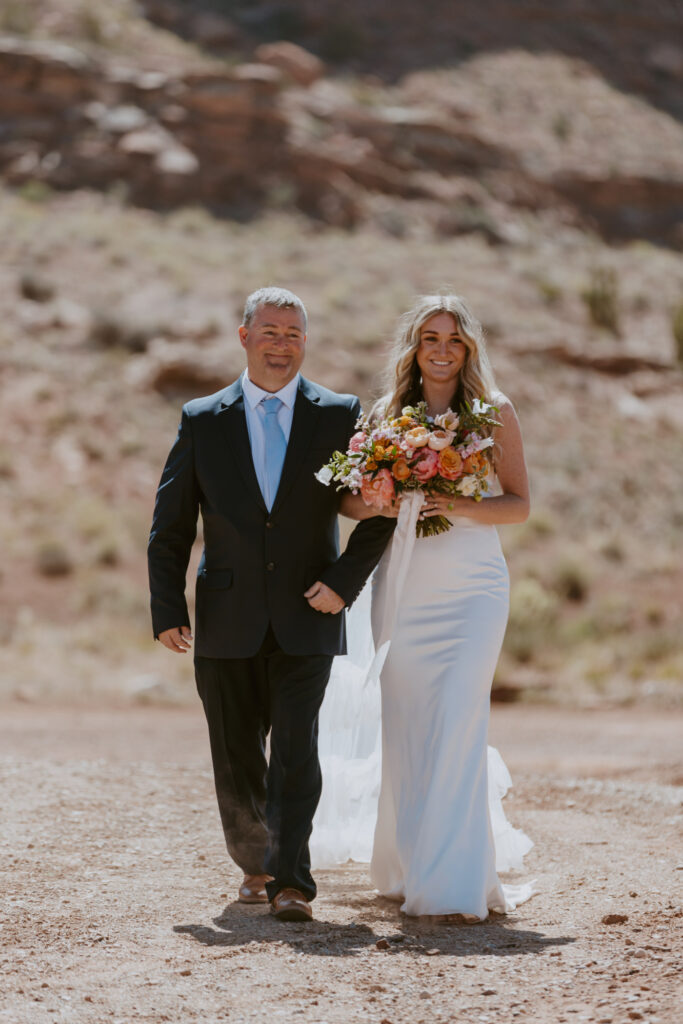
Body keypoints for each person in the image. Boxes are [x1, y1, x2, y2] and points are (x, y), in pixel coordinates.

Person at [148, 287, 391, 922]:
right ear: (244, 336)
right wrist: (166, 606)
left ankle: (291, 881)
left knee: (294, 747)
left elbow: (381, 504)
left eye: (293, 333)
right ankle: (253, 861)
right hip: (225, 616)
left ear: (304, 343)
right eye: (270, 331)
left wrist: (345, 581)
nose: (281, 344)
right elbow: (170, 525)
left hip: (308, 614)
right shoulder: (203, 418)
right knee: (234, 751)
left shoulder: (339, 414)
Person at [334, 293, 533, 921]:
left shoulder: (492, 412)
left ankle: (454, 882)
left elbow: (519, 503)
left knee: (457, 717)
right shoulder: (388, 413)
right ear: (414, 348)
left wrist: (456, 503)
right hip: (407, 581)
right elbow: (346, 502)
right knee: (409, 721)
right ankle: (407, 864)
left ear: (469, 348)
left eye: (453, 339)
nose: (441, 350)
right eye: (429, 339)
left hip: (473, 587)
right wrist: (385, 498)